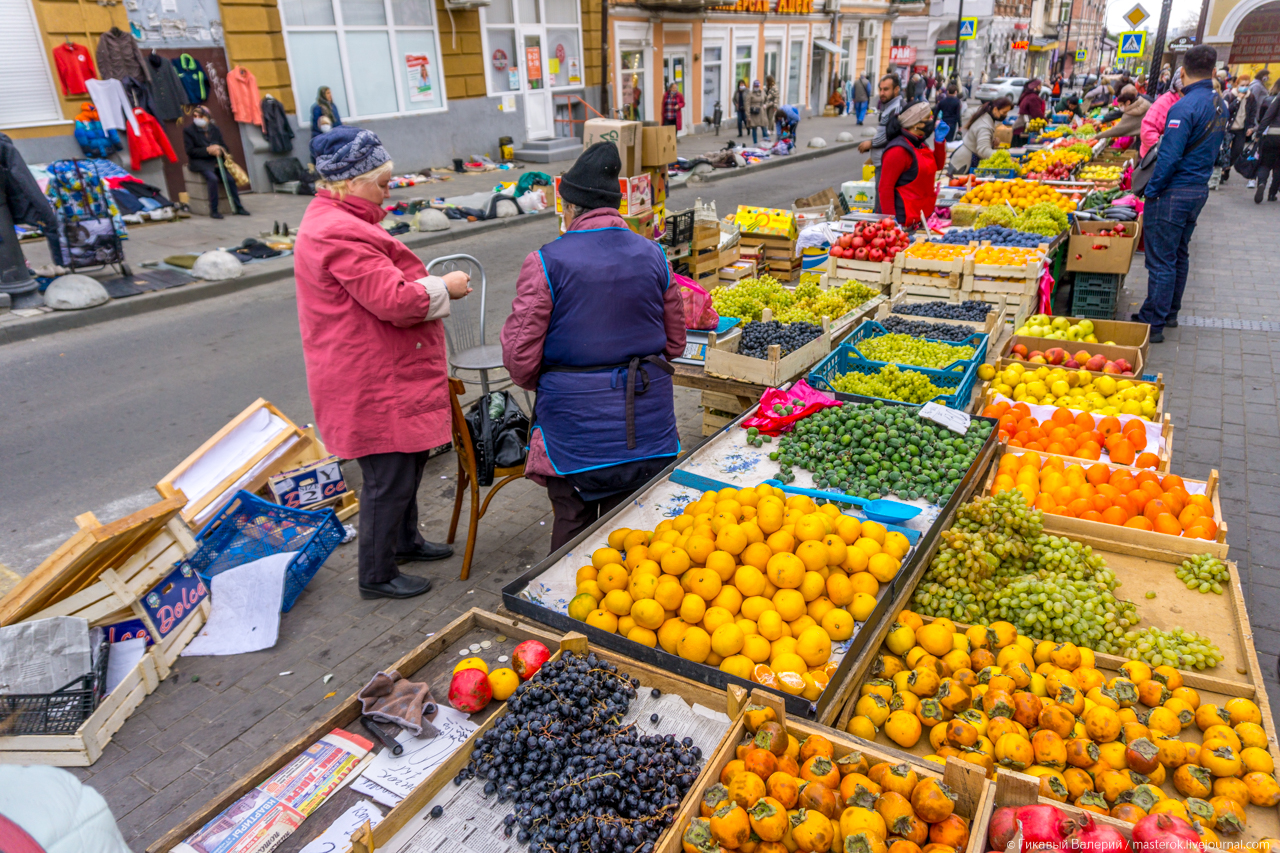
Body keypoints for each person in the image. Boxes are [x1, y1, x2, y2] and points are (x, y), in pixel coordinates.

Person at [294, 126, 470, 599]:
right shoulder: (337, 230)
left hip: (377, 368)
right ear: (352, 182)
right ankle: (376, 574)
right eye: (383, 181)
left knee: (406, 464)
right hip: (370, 377)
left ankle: (404, 542)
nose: (390, 190)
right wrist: (443, 287)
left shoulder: (340, 219)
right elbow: (393, 300)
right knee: (387, 476)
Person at [500, 142, 685, 552]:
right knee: (634, 535)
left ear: (570, 208)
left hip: (575, 433)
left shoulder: (547, 260)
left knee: (572, 528)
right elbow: (675, 343)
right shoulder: (654, 254)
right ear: (614, 206)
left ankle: (558, 606)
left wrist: (556, 382)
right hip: (647, 428)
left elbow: (518, 357)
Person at [1134, 45, 1226, 343]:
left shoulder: (1183, 107)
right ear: (1213, 71)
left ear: (1182, 72)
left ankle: (1154, 323)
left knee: (1161, 260)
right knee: (1179, 254)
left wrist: (1153, 190)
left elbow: (1169, 157)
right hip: (1197, 190)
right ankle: (1169, 312)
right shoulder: (1218, 103)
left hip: (1174, 192)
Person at [876, 101, 948, 227]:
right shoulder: (897, 150)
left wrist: (939, 143)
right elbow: (885, 188)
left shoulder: (919, 143)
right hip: (904, 220)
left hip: (920, 218)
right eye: (928, 118)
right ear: (917, 123)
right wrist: (891, 222)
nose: (932, 121)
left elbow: (937, 166)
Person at [182, 105, 248, 219]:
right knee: (212, 179)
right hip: (200, 162)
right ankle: (214, 210)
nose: (197, 118)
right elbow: (190, 151)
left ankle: (238, 207)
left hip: (216, 162)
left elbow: (224, 146)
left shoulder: (214, 129)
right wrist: (207, 150)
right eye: (195, 116)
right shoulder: (189, 131)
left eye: (200, 116)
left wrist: (220, 149)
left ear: (207, 117)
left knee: (230, 179)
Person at [858, 74, 905, 179]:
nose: (882, 93)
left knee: (883, 194)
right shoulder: (889, 105)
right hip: (882, 164)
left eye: (886, 89)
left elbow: (893, 135)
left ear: (896, 89)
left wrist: (872, 143)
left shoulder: (897, 108)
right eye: (880, 89)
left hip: (887, 165)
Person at [949, 96, 1012, 174]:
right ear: (995, 109)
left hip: (965, 158)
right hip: (964, 163)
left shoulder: (987, 118)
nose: (1005, 115)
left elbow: (980, 139)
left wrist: (992, 141)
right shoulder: (984, 125)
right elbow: (983, 150)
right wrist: (1004, 157)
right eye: (1004, 112)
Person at [1220, 79, 1257, 185]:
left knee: (1237, 151)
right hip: (1229, 127)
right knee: (1225, 150)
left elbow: (1252, 113)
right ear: (1237, 85)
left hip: (1241, 128)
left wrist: (1251, 127)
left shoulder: (1251, 97)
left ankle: (1227, 167)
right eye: (1242, 85)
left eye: (1247, 85)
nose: (1245, 87)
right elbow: (1227, 110)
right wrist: (1238, 100)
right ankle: (1223, 170)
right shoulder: (1230, 95)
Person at [1140, 68, 1183, 157]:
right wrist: (1166, 152)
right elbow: (1147, 131)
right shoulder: (1165, 102)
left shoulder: (1190, 102)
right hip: (1156, 158)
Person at [1251, 77, 1280, 202]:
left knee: (1265, 163)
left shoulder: (1278, 97)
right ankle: (1272, 194)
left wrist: (1259, 132)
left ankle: (1262, 183)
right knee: (1279, 167)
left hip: (1273, 133)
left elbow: (1268, 116)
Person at [747, 80, 768, 144]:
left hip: (762, 113)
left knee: (764, 128)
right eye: (755, 86)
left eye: (757, 86)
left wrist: (765, 105)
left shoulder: (762, 92)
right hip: (754, 113)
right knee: (754, 129)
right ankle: (755, 144)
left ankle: (766, 143)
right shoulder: (750, 94)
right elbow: (747, 105)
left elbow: (766, 100)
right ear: (753, 86)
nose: (756, 87)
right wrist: (748, 115)